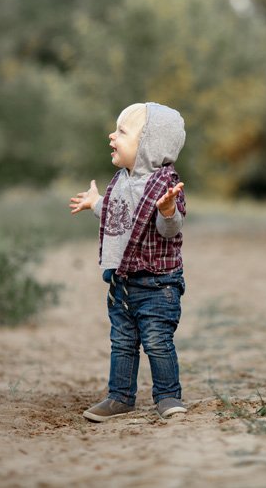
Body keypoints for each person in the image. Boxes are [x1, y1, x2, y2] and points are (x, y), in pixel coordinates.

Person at [69, 102, 188, 421]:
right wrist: (96, 203)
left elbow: (170, 230)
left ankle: (167, 395)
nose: (112, 135)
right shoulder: (122, 180)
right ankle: (120, 396)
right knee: (122, 341)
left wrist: (167, 212)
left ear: (149, 143)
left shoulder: (165, 184)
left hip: (157, 284)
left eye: (121, 131)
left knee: (156, 341)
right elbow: (118, 213)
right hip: (122, 282)